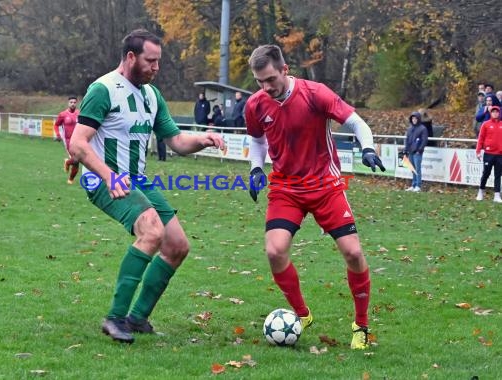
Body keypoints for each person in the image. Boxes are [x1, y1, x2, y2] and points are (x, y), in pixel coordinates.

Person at [68, 29, 225, 344]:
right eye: (150, 61)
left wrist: (203, 140)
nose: (156, 67)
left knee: (177, 245)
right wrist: (109, 176)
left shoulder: (152, 95)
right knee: (152, 231)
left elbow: (177, 142)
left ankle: (137, 318)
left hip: (137, 179)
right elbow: (78, 143)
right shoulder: (103, 90)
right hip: (103, 178)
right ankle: (115, 318)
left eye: (158, 62)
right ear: (130, 57)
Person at [244, 44, 385, 350]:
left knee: (353, 253)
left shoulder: (314, 93)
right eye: (259, 82)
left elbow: (357, 123)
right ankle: (302, 314)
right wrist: (256, 169)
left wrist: (368, 148)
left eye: (270, 79)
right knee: (274, 251)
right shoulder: (256, 104)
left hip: (325, 186)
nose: (266, 87)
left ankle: (360, 325)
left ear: (285, 69)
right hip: (285, 188)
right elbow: (256, 140)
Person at [475, 105, 502, 203]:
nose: (495, 113)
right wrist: (478, 151)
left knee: (498, 175)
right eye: (493, 111)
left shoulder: (501, 124)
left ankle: (497, 195)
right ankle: (481, 192)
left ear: (499, 113)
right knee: (486, 173)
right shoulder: (485, 124)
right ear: (491, 113)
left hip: (499, 154)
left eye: (497, 112)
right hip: (488, 153)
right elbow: (480, 138)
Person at [53, 96, 80, 184]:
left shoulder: (79, 113)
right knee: (75, 160)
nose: (73, 104)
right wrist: (58, 135)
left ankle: (70, 179)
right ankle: (68, 163)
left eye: (74, 102)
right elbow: (56, 125)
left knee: (77, 161)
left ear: (76, 103)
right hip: (68, 140)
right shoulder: (63, 114)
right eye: (71, 102)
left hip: (78, 140)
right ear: (68, 103)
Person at [403, 111, 429, 192]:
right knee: (412, 169)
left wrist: (419, 150)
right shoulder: (410, 129)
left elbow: (424, 140)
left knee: (417, 169)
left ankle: (418, 185)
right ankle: (413, 185)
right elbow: (407, 140)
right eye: (413, 118)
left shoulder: (423, 128)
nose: (414, 120)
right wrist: (406, 150)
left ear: (418, 119)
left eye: (415, 118)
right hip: (410, 152)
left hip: (417, 152)